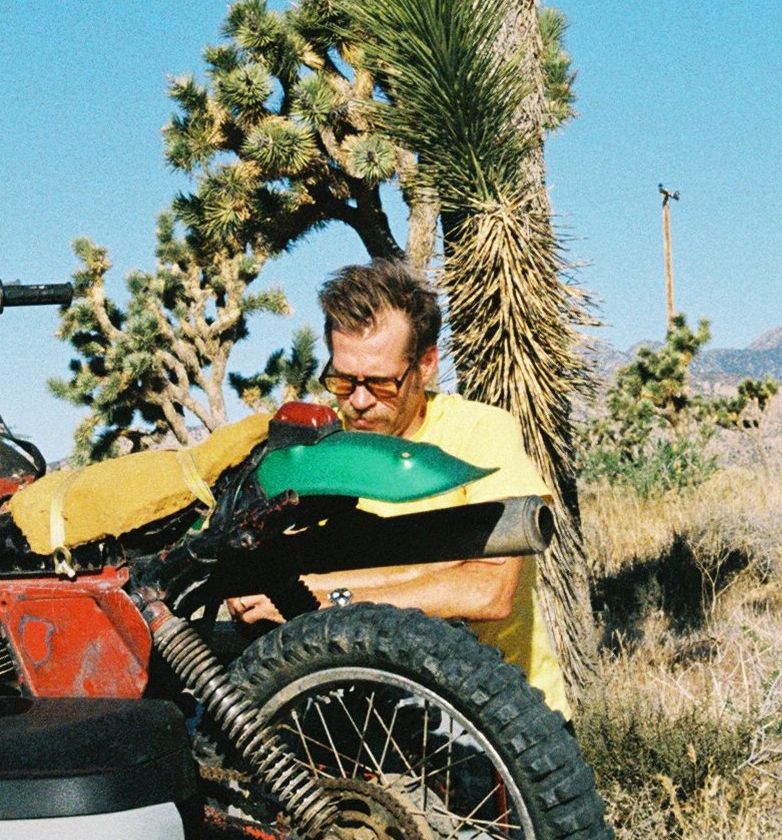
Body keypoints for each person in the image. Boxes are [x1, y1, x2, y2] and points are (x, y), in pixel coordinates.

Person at [226, 259, 569, 718]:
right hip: (374, 720)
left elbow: (487, 590)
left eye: (380, 383)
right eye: (344, 380)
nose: (360, 401)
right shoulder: (325, 456)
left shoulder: (481, 434)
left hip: (501, 727)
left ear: (426, 363)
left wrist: (319, 597)